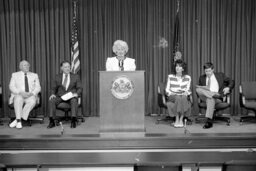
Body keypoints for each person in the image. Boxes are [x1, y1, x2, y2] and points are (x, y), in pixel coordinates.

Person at [196, 62, 235, 129]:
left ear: (213, 69)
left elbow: (232, 81)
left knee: (210, 99)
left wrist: (228, 87)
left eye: (209, 71)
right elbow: (200, 90)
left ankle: (209, 121)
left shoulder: (220, 75)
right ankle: (213, 95)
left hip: (217, 98)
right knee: (198, 89)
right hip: (206, 97)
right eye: (206, 71)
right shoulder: (202, 78)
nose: (208, 73)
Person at [47, 60, 82, 129]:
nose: (68, 68)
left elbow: (80, 88)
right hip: (60, 97)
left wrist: (76, 94)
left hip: (71, 96)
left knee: (74, 100)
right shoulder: (57, 77)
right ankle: (52, 121)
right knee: (51, 100)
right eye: (65, 67)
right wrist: (52, 94)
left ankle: (73, 120)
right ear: (61, 68)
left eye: (69, 67)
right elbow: (53, 88)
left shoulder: (75, 76)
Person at [9, 60, 41, 129]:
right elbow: (11, 86)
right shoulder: (15, 75)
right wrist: (20, 92)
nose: (27, 66)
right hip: (19, 94)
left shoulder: (34, 75)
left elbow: (38, 87)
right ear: (20, 67)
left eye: (28, 65)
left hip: (30, 95)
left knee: (32, 101)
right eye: (24, 65)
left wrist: (32, 93)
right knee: (18, 99)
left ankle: (18, 120)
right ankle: (19, 121)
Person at [165, 59, 192, 128]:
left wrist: (186, 93)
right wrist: (171, 93)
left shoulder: (188, 78)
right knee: (177, 97)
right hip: (173, 95)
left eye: (180, 66)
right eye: (176, 66)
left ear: (183, 69)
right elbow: (167, 89)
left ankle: (181, 119)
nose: (177, 67)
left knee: (182, 97)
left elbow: (188, 89)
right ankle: (177, 118)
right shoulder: (170, 77)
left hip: (182, 95)